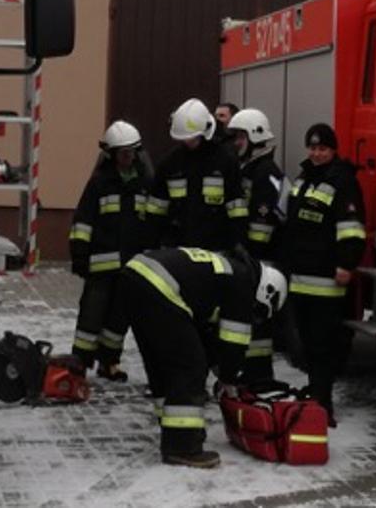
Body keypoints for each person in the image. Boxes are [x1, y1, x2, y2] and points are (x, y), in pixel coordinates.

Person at [113, 245, 287, 468]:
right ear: (266, 292)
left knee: (160, 362)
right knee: (190, 367)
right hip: (160, 285)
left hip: (134, 276)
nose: (252, 316)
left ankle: (175, 428)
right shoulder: (243, 283)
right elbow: (233, 344)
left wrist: (215, 363)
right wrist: (228, 377)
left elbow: (201, 332)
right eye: (258, 311)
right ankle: (183, 446)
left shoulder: (230, 271)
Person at [278, 123, 366, 424]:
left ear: (333, 150)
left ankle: (323, 402)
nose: (316, 154)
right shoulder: (304, 177)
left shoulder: (343, 181)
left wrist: (347, 263)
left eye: (322, 149)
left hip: (327, 279)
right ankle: (314, 391)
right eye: (313, 148)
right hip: (300, 277)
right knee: (305, 342)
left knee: (323, 344)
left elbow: (352, 228)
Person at [66, 121, 158, 381]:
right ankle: (79, 363)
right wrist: (79, 255)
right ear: (111, 154)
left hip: (132, 267)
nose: (128, 157)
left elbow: (153, 222)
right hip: (101, 267)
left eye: (132, 152)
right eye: (123, 153)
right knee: (91, 316)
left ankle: (109, 362)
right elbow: (83, 222)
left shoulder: (145, 183)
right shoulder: (99, 183)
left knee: (119, 320)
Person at [227, 108, 287, 382]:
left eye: (241, 137)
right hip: (251, 256)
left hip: (261, 259)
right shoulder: (251, 168)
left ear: (255, 136)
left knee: (259, 321)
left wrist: (249, 254)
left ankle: (260, 375)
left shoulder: (266, 172)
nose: (237, 142)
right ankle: (252, 373)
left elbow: (263, 222)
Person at [149, 99, 248, 254]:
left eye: (192, 137)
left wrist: (237, 244)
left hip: (217, 249)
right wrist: (154, 244)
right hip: (178, 249)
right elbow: (156, 210)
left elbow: (237, 208)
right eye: (184, 137)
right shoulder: (169, 164)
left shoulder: (225, 161)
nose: (187, 141)